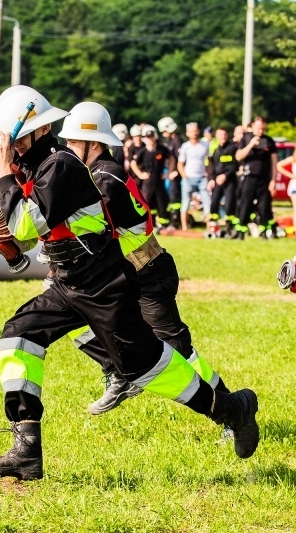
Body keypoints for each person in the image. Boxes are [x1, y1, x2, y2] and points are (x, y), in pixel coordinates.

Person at [0, 86, 259, 481]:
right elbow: (27, 241)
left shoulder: (61, 165)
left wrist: (3, 177)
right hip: (68, 282)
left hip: (102, 283)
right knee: (19, 336)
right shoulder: (35, 171)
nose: (8, 147)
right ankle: (25, 450)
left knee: (146, 367)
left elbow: (26, 225)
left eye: (14, 139)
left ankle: (231, 409)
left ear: (37, 131)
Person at [56, 102, 234, 418]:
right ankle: (118, 373)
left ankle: (232, 410)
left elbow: (91, 229)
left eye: (73, 141)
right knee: (72, 315)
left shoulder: (105, 177)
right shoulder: (96, 173)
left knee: (178, 352)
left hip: (147, 274)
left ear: (93, 143)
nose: (67, 148)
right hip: (127, 274)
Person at [234, 116, 278, 239]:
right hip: (249, 177)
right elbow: (238, 156)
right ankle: (241, 232)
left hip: (264, 179)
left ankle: (264, 232)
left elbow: (274, 161)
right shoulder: (246, 138)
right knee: (245, 205)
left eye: (263, 128)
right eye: (258, 128)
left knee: (264, 206)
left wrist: (273, 180)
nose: (261, 130)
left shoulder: (269, 140)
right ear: (252, 126)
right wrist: (251, 145)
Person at [131, 125, 175, 232]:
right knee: (147, 203)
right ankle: (148, 224)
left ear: (155, 137)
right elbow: (133, 163)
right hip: (148, 182)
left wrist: (168, 173)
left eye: (152, 136)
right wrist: (140, 175)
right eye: (148, 137)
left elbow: (172, 159)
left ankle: (164, 225)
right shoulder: (143, 151)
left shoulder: (162, 149)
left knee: (162, 202)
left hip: (159, 180)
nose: (150, 139)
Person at [206, 127, 239, 237]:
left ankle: (230, 229)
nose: (223, 137)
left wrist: (225, 175)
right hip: (217, 181)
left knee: (230, 204)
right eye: (220, 135)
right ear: (216, 136)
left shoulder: (233, 148)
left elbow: (235, 165)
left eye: (224, 134)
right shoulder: (215, 150)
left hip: (230, 180)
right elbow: (212, 167)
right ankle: (214, 229)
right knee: (214, 203)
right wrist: (211, 179)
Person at [177, 122, 210, 231]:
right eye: (191, 131)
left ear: (199, 131)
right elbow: (180, 164)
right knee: (185, 202)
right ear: (187, 133)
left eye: (195, 131)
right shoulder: (185, 146)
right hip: (188, 178)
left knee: (207, 201)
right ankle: (184, 227)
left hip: (202, 178)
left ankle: (209, 226)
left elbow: (209, 161)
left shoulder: (205, 145)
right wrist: (184, 176)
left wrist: (208, 173)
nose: (194, 133)